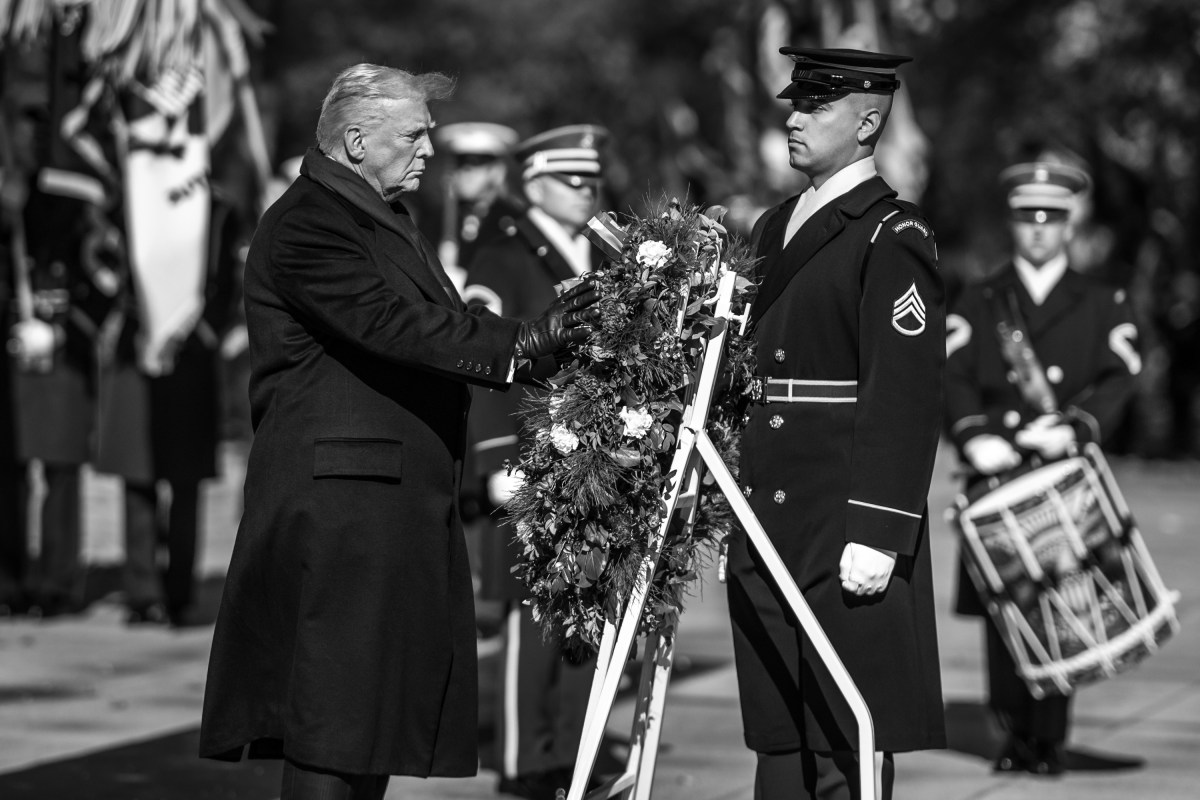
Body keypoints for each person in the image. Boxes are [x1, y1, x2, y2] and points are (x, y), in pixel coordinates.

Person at [198, 64, 599, 800]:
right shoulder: (309, 223)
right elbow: (394, 325)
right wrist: (528, 341)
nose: (428, 151)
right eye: (413, 135)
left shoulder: (372, 213)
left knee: (369, 722)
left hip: (382, 506)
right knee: (332, 726)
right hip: (342, 512)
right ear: (355, 140)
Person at [725, 47, 946, 800]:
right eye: (794, 104)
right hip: (766, 504)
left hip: (839, 512)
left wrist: (881, 529)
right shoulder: (773, 223)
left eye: (814, 107)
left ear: (867, 122)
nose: (793, 118)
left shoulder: (893, 235)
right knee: (778, 728)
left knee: (844, 732)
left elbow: (905, 394)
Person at [945, 161, 1141, 776]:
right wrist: (972, 435)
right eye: (1027, 218)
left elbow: (1121, 376)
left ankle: (1047, 738)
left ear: (1068, 223)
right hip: (997, 472)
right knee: (1006, 605)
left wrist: (1076, 425)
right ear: (1012, 223)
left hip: (1062, 475)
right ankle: (1012, 730)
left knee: (1065, 600)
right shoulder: (979, 297)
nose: (1037, 230)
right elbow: (950, 375)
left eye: (1051, 218)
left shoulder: (1100, 300)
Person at [464, 124, 609, 800]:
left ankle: (578, 754)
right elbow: (484, 357)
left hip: (606, 455)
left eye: (592, 182)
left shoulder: (608, 255)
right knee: (535, 610)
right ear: (535, 183)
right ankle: (526, 759)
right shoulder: (501, 257)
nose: (586, 193)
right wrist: (496, 453)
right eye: (571, 181)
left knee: (595, 603)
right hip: (534, 455)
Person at [432, 121, 521, 294]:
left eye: (476, 164)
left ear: (497, 171)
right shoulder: (434, 218)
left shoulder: (515, 220)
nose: (465, 173)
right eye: (460, 164)